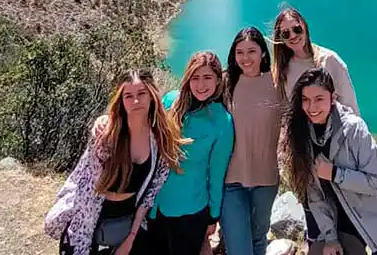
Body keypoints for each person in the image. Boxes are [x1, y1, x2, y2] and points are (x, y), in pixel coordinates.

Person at [45, 69, 186, 255]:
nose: (136, 101)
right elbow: (86, 189)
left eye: (142, 93)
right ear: (121, 101)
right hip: (88, 223)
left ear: (152, 96)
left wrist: (131, 237)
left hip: (124, 224)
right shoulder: (106, 136)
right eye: (128, 96)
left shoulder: (160, 140)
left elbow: (150, 194)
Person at [280, 67, 377, 255]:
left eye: (319, 99)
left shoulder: (354, 129)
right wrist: (330, 238)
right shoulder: (302, 136)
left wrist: (335, 173)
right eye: (306, 100)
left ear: (332, 98)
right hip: (347, 218)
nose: (312, 108)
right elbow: (315, 195)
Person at [146, 52, 234, 255]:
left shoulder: (222, 121)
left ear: (218, 80)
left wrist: (213, 216)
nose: (201, 85)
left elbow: (217, 172)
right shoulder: (170, 102)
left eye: (207, 77)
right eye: (195, 77)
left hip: (191, 211)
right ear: (187, 78)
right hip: (155, 207)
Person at [219, 27, 282, 255]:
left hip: (266, 179)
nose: (245, 58)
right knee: (238, 248)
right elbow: (193, 100)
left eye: (252, 51)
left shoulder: (278, 83)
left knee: (258, 240)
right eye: (240, 52)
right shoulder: (225, 83)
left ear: (263, 54)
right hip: (231, 181)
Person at [271, 7, 359, 115]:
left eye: (297, 29)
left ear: (305, 26)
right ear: (281, 39)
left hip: (333, 130)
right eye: (286, 33)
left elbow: (350, 107)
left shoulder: (328, 60)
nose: (293, 36)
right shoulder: (283, 69)